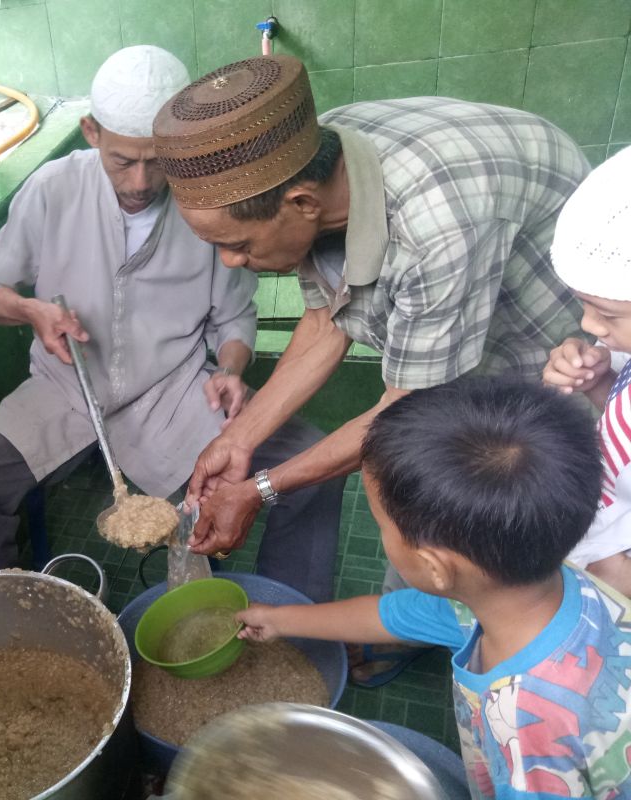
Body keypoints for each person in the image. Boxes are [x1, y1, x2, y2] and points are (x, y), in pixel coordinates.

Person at [152, 54, 588, 681]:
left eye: (239, 245)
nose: (228, 264)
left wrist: (261, 489)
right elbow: (328, 316)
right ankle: (421, 614)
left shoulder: (434, 228)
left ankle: (438, 628)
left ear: (302, 203)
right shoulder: (311, 157)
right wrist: (238, 439)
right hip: (461, 266)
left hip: (534, 331)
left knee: (458, 493)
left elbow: (401, 415)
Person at [0, 46, 345, 602]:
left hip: (174, 394)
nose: (142, 181)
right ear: (91, 131)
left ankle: (289, 618)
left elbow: (233, 315)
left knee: (311, 464)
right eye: (124, 161)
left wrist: (230, 367)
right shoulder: (52, 190)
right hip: (67, 388)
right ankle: (17, 622)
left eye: (158, 162)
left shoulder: (205, 202)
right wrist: (29, 310)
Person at [235, 377, 631, 799]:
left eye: (382, 527)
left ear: (434, 567)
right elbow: (397, 614)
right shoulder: (533, 587)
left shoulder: (531, 734)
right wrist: (277, 619)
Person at [542, 147, 631, 597]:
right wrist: (598, 382)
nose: (589, 326)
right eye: (584, 305)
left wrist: (621, 569)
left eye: (608, 313)